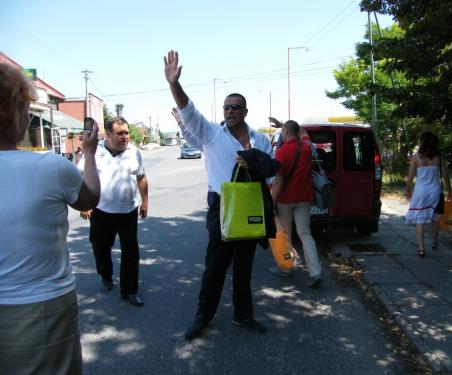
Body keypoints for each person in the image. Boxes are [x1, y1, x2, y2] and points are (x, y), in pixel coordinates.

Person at [164, 50, 273, 340]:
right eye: (226, 107)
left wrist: (255, 162)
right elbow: (189, 112)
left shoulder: (261, 139)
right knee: (215, 268)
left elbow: (272, 172)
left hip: (250, 206)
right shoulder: (211, 133)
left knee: (244, 268)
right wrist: (174, 84)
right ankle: (203, 317)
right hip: (222, 207)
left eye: (236, 107)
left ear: (245, 111)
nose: (230, 111)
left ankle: (243, 315)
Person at [0, 62, 100, 374]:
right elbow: (90, 198)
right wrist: (91, 154)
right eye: (26, 108)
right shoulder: (50, 168)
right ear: (14, 111)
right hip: (39, 308)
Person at [79, 117, 149, 307]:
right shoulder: (93, 150)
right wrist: (85, 204)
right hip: (101, 211)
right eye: (120, 133)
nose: (125, 137)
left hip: (128, 211)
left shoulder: (134, 152)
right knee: (100, 247)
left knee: (131, 252)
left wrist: (145, 203)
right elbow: (82, 177)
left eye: (126, 132)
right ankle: (106, 274)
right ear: (108, 134)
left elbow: (141, 177)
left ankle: (130, 291)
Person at [271, 120, 323, 288]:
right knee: (306, 234)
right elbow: (302, 132)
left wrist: (272, 202)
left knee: (285, 234)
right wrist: (283, 124)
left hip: (286, 200)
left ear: (285, 132)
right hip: (304, 199)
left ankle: (288, 268)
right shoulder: (307, 147)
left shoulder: (282, 152)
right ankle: (315, 272)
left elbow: (279, 180)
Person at [406, 131, 452, 257]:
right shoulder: (439, 156)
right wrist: (450, 190)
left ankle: (421, 249)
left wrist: (408, 190)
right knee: (436, 218)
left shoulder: (416, 157)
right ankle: (434, 242)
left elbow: (410, 177)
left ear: (422, 142)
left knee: (420, 219)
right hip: (435, 191)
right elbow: (445, 175)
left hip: (421, 191)